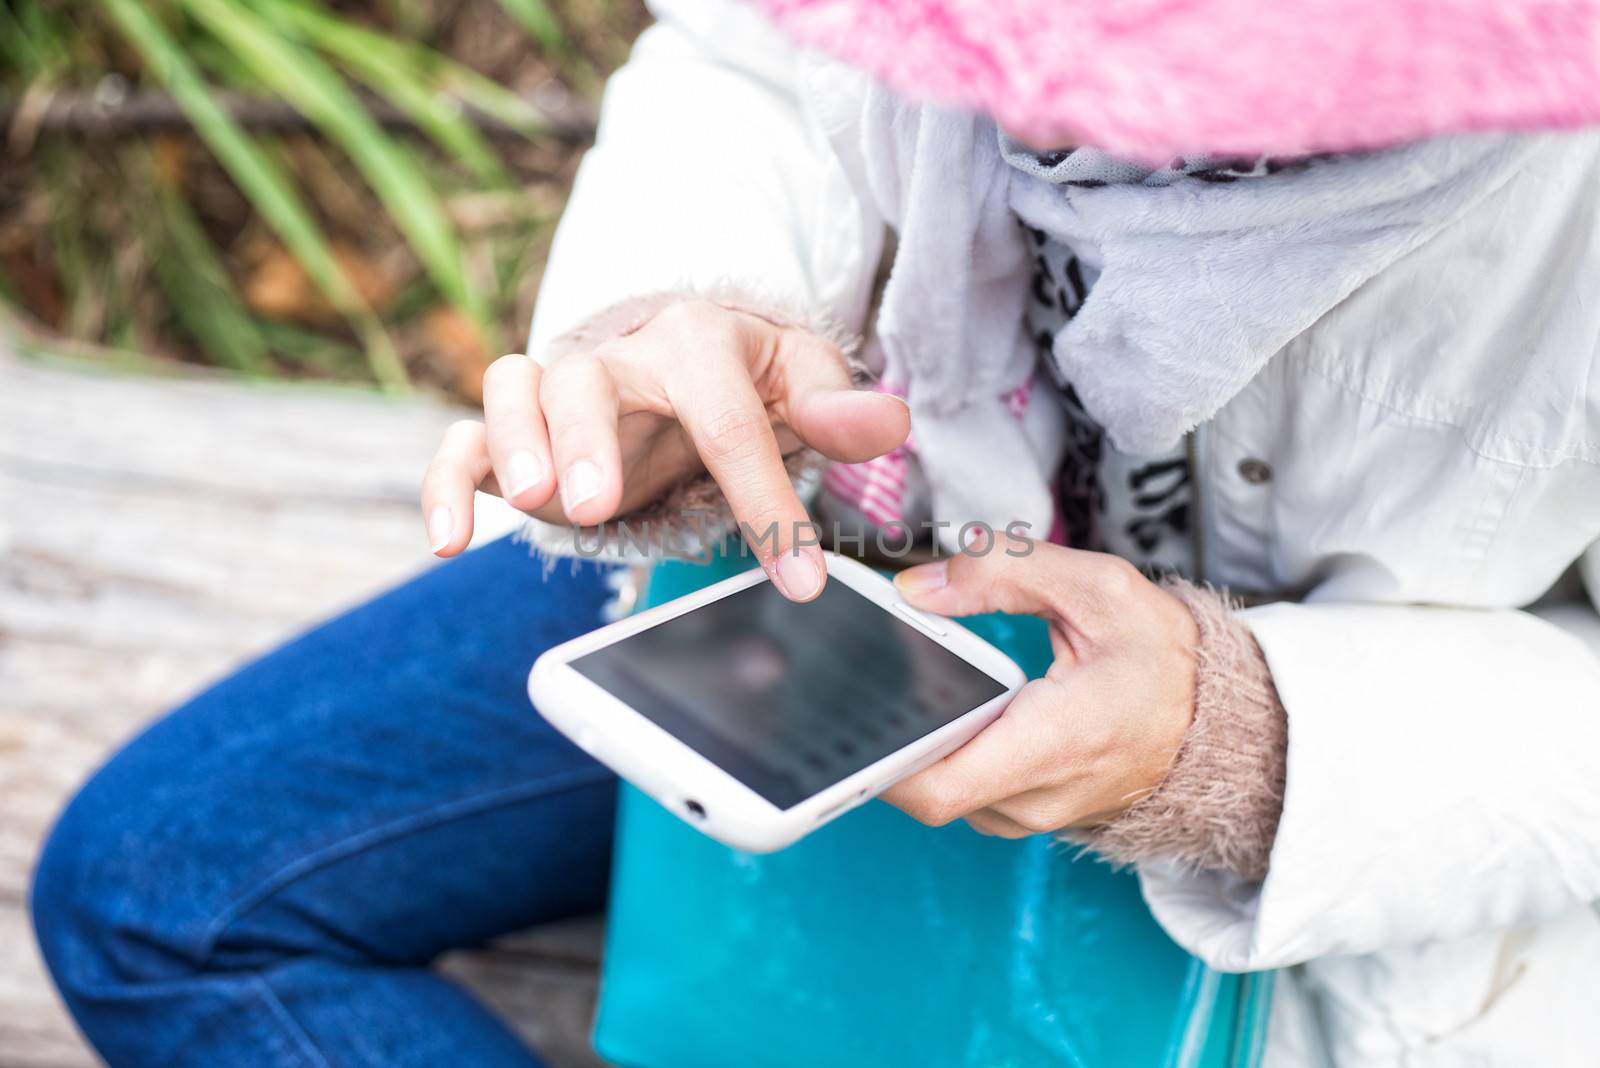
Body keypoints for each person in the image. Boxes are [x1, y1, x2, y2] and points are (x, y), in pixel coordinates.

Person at [33, 0, 1600, 1064]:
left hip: (1381, 839)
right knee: (161, 886)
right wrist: (680, 315)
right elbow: (755, 52)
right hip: (845, 564)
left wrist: (1241, 742)